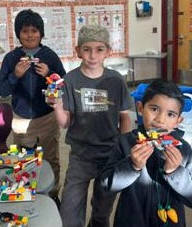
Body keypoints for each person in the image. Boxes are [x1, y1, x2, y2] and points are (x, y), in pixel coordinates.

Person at [52, 25, 133, 227]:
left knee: (102, 210)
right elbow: (65, 122)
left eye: (99, 49)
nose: (92, 55)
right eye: (87, 49)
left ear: (108, 51)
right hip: (80, 155)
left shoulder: (116, 80)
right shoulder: (70, 80)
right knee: (69, 213)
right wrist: (57, 106)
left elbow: (125, 117)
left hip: (109, 154)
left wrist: (125, 148)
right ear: (78, 50)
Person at [0, 9, 66, 205]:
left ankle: (52, 195)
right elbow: (2, 90)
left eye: (34, 30)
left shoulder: (49, 55)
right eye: (25, 31)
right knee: (24, 159)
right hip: (21, 119)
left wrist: (49, 73)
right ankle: (27, 193)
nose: (30, 35)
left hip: (47, 118)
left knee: (51, 159)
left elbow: (64, 83)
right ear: (18, 34)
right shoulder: (11, 59)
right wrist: (15, 76)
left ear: (41, 33)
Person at [101, 79, 192, 227]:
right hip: (130, 220)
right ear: (140, 108)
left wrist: (176, 172)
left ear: (178, 121)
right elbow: (106, 185)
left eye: (170, 114)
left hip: (170, 221)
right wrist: (132, 166)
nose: (160, 120)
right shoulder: (125, 143)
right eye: (154, 109)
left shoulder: (184, 149)